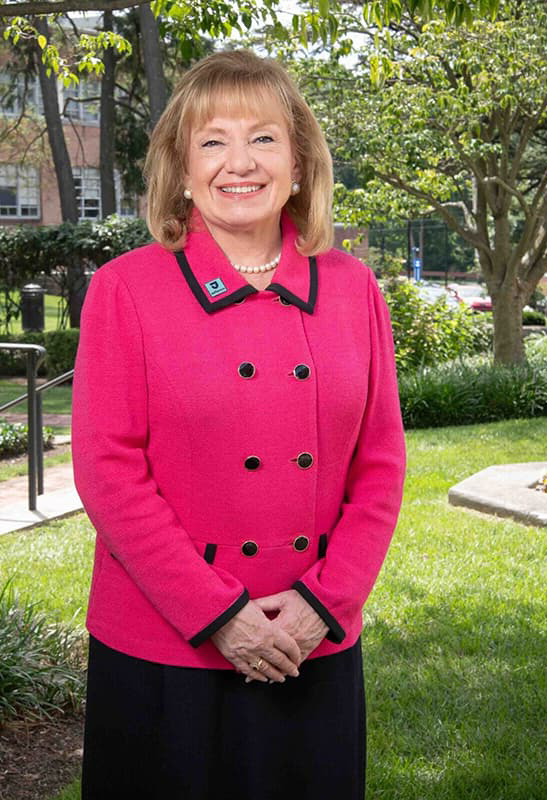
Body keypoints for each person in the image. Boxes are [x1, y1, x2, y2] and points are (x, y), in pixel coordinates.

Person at [71, 49, 406, 800]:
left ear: (298, 160)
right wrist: (220, 616)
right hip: (164, 656)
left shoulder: (354, 289)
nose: (239, 162)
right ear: (181, 167)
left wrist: (326, 605)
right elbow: (107, 471)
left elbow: (380, 464)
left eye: (263, 138)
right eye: (212, 140)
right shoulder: (125, 290)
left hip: (309, 642)